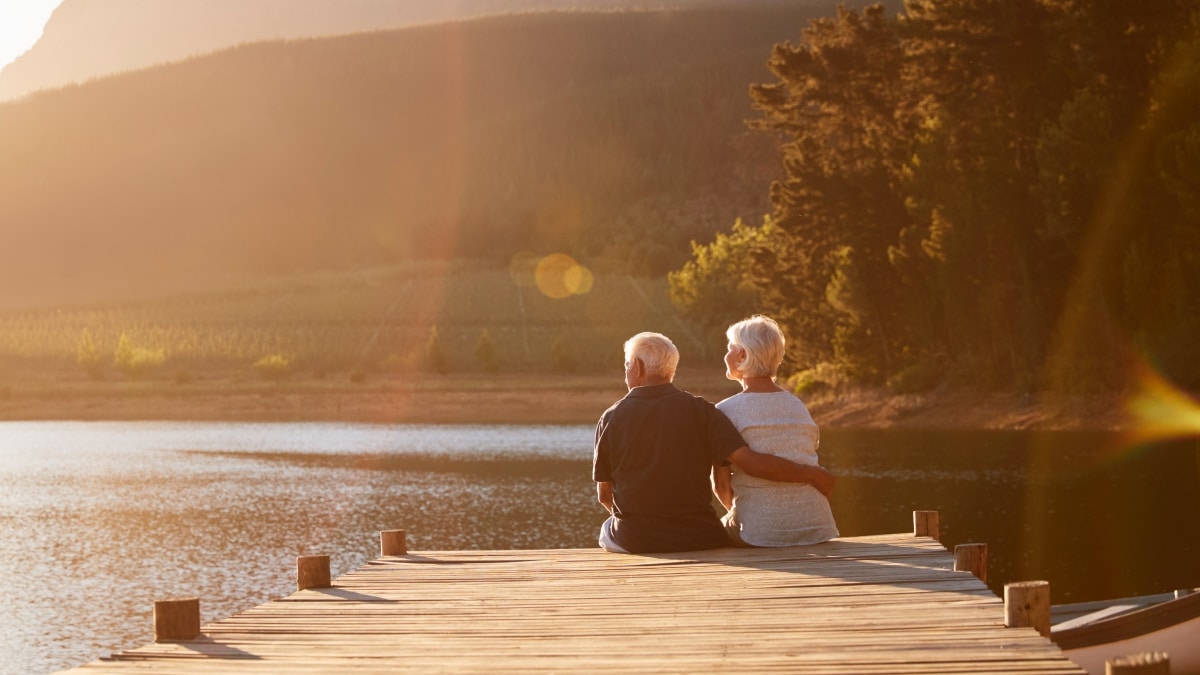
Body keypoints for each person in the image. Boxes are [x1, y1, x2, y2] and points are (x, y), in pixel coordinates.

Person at [593, 331, 835, 554]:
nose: (626, 372)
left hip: (636, 539)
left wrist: (644, 526)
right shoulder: (703, 411)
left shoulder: (610, 417)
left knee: (606, 531)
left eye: (626, 365)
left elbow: (605, 496)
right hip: (700, 536)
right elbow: (745, 463)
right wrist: (810, 474)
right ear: (671, 369)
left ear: (637, 367)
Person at [711, 315, 839, 547]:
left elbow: (720, 486)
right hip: (816, 527)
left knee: (714, 532)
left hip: (760, 533)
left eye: (730, 348)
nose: (726, 355)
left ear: (742, 355)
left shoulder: (724, 411)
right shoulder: (798, 406)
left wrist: (750, 516)